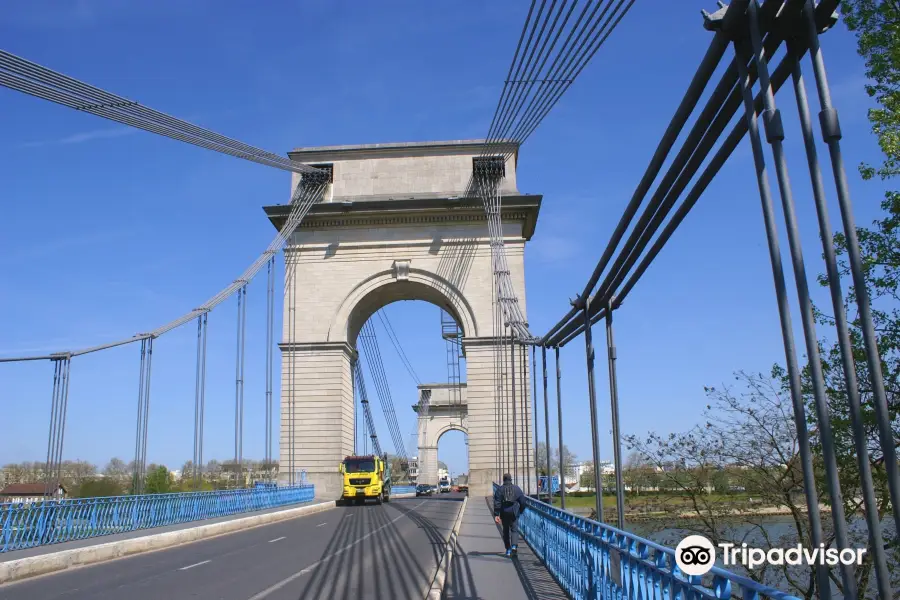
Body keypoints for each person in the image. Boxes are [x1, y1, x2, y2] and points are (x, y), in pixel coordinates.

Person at [493, 473, 527, 557]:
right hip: (514, 512)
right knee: (514, 529)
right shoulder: (516, 489)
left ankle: (508, 549)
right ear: (511, 479)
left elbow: (497, 503)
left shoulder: (500, 489)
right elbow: (522, 501)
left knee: (506, 531)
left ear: (503, 480)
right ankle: (514, 546)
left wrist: (496, 514)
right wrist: (521, 510)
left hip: (504, 512)